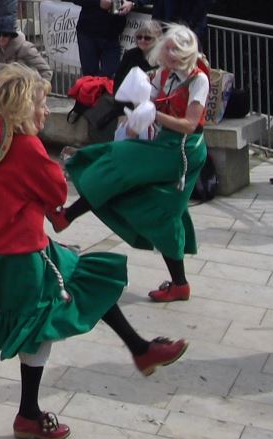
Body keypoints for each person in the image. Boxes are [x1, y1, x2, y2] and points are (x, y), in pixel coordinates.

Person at [0, 66, 188, 439]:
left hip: (4, 249)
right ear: (24, 107)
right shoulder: (27, 146)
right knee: (38, 327)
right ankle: (28, 414)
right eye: (42, 104)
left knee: (85, 280)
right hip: (23, 253)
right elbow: (56, 192)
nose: (46, 112)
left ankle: (140, 349)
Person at [59, 24, 209, 302]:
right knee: (163, 212)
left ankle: (66, 216)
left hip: (183, 152)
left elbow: (189, 124)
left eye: (176, 51)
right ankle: (180, 284)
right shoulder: (162, 75)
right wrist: (132, 124)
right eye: (168, 49)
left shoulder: (198, 80)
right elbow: (142, 107)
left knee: (116, 165)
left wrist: (153, 116)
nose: (169, 54)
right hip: (163, 144)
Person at [0, 15, 53, 82]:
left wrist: (35, 90)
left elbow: (46, 72)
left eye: (5, 34)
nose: (1, 38)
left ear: (11, 35)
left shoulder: (26, 48)